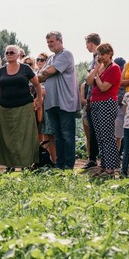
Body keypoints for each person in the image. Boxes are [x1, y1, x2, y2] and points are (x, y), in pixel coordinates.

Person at [0, 45, 42, 170]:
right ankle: (9, 165)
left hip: (24, 107)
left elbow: (37, 84)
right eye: (7, 53)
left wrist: (39, 99)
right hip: (4, 108)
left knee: (24, 136)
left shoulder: (25, 68)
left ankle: (26, 164)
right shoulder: (1, 71)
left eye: (12, 52)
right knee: (6, 137)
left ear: (18, 55)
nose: (9, 54)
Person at [37, 31, 80, 170]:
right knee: (57, 136)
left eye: (52, 41)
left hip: (65, 102)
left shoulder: (66, 54)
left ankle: (68, 165)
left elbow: (48, 72)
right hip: (51, 102)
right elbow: (40, 77)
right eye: (48, 42)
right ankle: (59, 164)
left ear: (60, 40)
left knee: (67, 135)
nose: (49, 44)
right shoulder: (50, 58)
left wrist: (45, 72)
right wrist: (45, 72)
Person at [86, 43, 121, 176]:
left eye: (103, 54)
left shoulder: (114, 68)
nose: (100, 57)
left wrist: (97, 78)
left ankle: (111, 168)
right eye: (98, 54)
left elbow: (103, 87)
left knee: (107, 136)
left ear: (110, 54)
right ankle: (104, 166)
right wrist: (96, 70)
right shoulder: (99, 67)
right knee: (99, 136)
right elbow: (88, 81)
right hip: (95, 103)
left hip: (107, 103)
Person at [83, 32, 101, 169]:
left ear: (91, 43)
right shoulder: (94, 58)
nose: (86, 47)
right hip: (91, 98)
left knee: (95, 131)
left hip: (96, 98)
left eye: (86, 44)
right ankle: (93, 157)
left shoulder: (98, 58)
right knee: (92, 130)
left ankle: (94, 158)